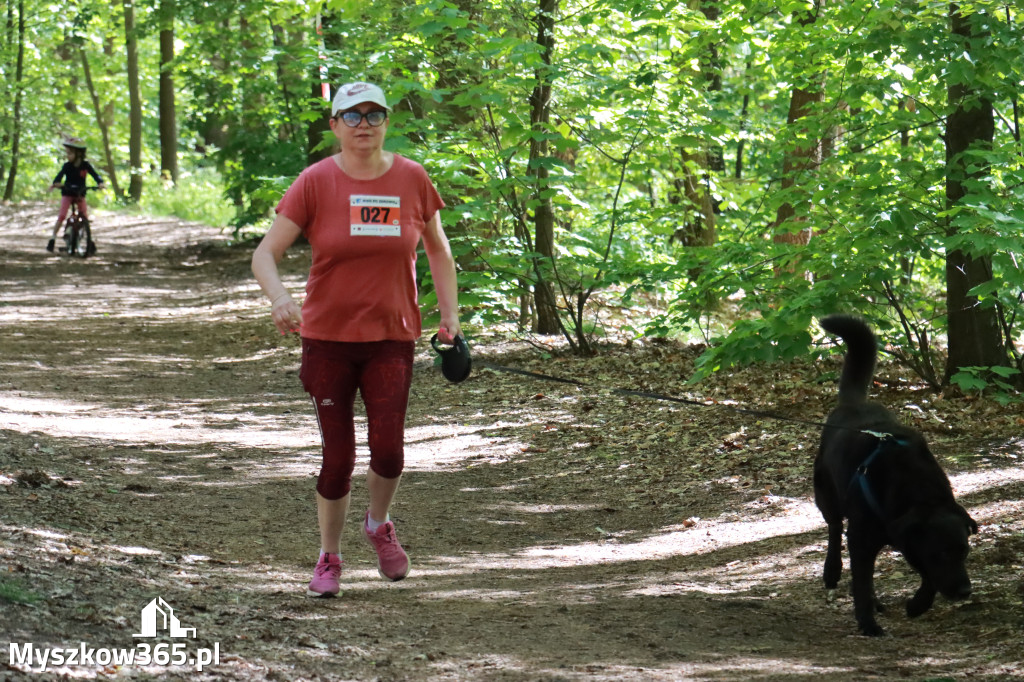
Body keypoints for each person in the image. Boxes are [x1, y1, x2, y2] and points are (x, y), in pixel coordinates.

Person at [251, 81, 461, 598]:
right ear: (335, 125)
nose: (363, 123)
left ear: (387, 121)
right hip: (327, 341)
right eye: (352, 115)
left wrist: (450, 318)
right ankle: (329, 557)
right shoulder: (315, 181)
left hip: (392, 337)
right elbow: (264, 254)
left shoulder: (412, 178)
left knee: (389, 452)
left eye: (374, 114)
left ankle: (378, 524)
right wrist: (279, 298)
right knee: (339, 457)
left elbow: (438, 251)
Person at [48, 135, 104, 253]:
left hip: (80, 193)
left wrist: (100, 182)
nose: (68, 156)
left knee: (84, 215)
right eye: (67, 153)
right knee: (62, 215)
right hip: (68, 193)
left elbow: (95, 175)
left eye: (70, 153)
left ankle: (89, 240)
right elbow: (59, 176)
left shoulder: (86, 165)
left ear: (78, 154)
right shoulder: (67, 166)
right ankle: (52, 238)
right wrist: (56, 183)